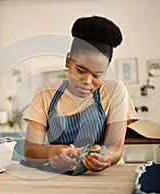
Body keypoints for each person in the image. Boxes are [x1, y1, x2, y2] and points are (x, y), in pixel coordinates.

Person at [23, 15, 138, 182]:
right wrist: (53, 153)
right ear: (68, 61)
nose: (87, 82)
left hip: (105, 178)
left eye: (97, 75)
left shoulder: (115, 91)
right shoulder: (45, 94)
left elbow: (115, 147)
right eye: (81, 70)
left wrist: (103, 156)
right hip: (60, 178)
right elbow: (30, 151)